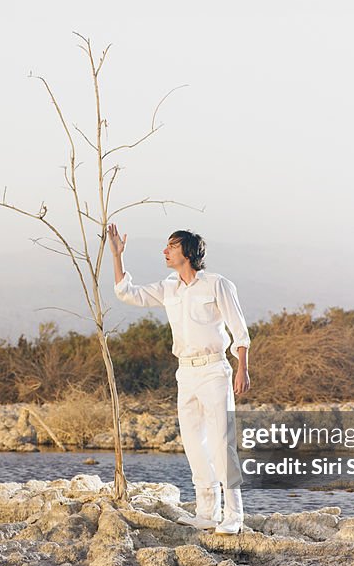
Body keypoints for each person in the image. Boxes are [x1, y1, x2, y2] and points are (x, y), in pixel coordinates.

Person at [107, 223, 251, 534]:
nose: (165, 251)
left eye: (171, 246)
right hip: (185, 373)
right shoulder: (168, 287)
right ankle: (206, 512)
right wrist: (117, 255)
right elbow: (126, 293)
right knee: (193, 443)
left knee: (221, 443)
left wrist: (242, 367)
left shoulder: (217, 284)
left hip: (214, 370)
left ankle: (234, 516)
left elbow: (239, 330)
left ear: (186, 252)